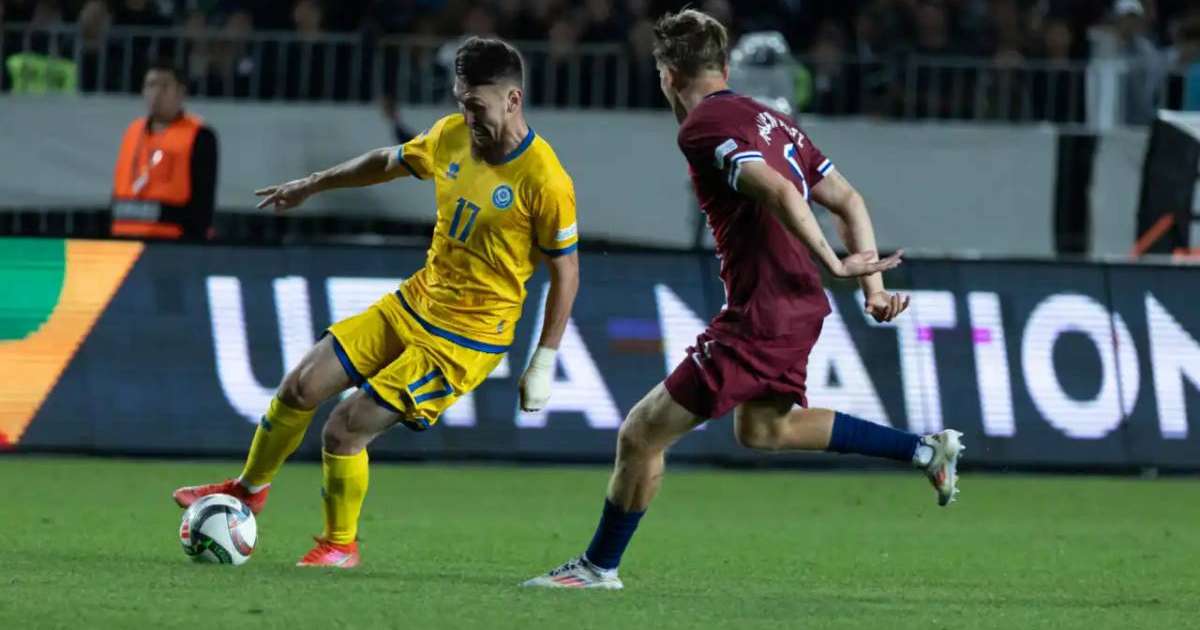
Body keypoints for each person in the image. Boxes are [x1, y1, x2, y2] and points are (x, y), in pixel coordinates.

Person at [524, 9, 964, 590]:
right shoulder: (774, 122)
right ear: (725, 66)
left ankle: (597, 568)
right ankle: (925, 451)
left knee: (639, 434)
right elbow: (850, 199)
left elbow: (778, 190)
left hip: (763, 313)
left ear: (666, 75)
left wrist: (836, 264)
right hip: (796, 308)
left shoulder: (702, 126)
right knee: (764, 430)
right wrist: (872, 292)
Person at [172, 37, 581, 568]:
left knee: (344, 427)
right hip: (415, 302)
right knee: (300, 385)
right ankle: (250, 490)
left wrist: (544, 359)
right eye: (460, 101)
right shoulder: (451, 136)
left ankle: (340, 545)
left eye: (476, 104)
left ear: (512, 100)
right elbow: (386, 162)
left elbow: (566, 271)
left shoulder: (545, 180)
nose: (466, 114)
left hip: (466, 339)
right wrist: (311, 185)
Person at [110, 61, 218, 241]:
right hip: (123, 237)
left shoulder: (199, 134)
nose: (156, 93)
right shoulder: (133, 131)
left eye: (165, 86)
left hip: (171, 241)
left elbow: (203, 202)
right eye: (151, 85)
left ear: (181, 93)